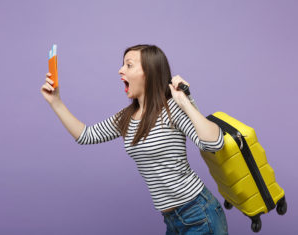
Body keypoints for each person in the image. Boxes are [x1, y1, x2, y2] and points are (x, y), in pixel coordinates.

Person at [40, 44, 228, 234]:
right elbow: (86, 135)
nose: (120, 70)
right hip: (172, 220)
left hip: (199, 214)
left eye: (129, 65)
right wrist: (56, 102)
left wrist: (185, 102)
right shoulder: (126, 117)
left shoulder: (172, 110)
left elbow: (214, 143)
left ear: (150, 72)